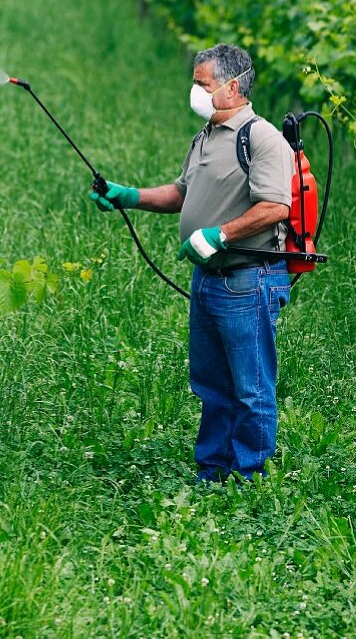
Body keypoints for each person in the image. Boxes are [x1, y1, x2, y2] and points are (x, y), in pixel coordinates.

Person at [89, 43, 294, 483]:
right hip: (209, 280)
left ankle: (249, 478)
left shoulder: (261, 138)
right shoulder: (206, 135)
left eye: (202, 84)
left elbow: (276, 206)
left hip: (247, 279)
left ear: (232, 86)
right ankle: (213, 471)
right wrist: (129, 196)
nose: (195, 91)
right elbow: (183, 193)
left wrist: (219, 235)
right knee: (211, 384)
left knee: (251, 388)